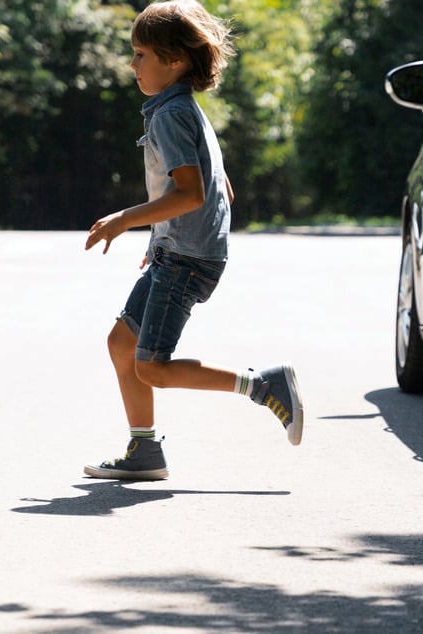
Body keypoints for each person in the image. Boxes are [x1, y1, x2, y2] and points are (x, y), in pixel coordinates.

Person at [83, 0, 302, 480]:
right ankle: (144, 451)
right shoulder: (179, 110)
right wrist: (160, 238)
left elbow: (191, 191)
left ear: (174, 60)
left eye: (141, 54)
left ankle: (264, 385)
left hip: (185, 259)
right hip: (177, 253)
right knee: (123, 344)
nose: (133, 64)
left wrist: (125, 219)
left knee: (152, 367)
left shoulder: (172, 116)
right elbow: (218, 185)